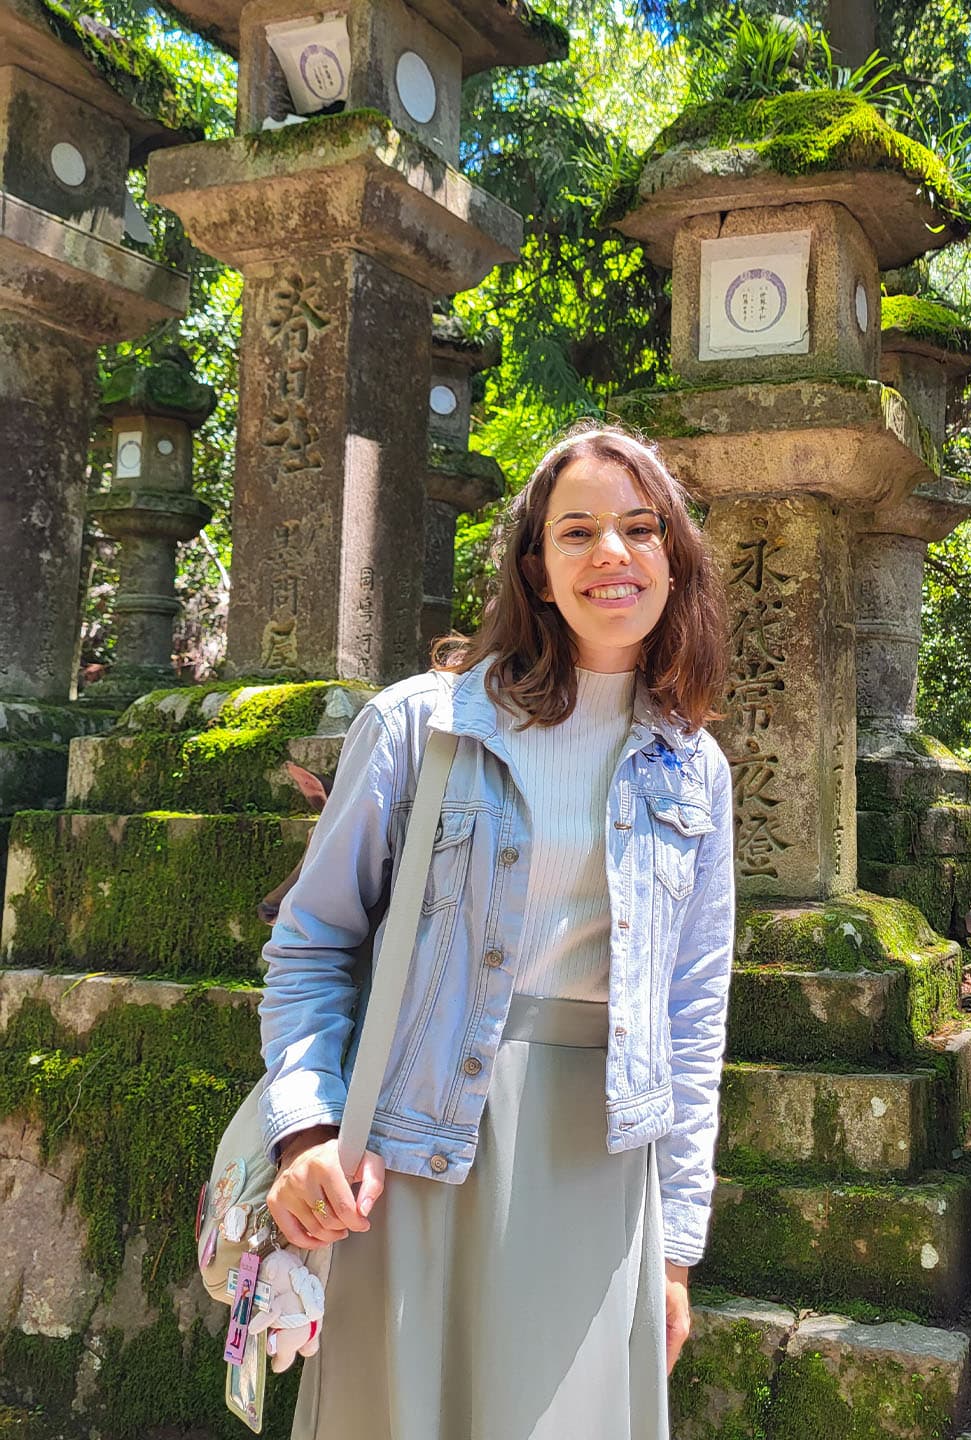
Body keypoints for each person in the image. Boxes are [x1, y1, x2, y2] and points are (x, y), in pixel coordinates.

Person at [255, 423, 736, 1440]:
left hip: (600, 1171)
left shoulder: (693, 772)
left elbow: (695, 1019)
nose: (612, 553)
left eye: (640, 528)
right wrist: (304, 1129)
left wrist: (678, 1250)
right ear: (537, 566)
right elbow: (313, 943)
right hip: (415, 1151)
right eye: (579, 532)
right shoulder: (419, 728)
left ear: (673, 558)